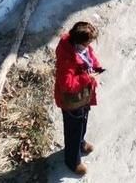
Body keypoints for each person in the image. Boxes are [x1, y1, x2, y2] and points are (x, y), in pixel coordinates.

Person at [53, 20, 104, 176]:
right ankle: (72, 161)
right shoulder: (67, 59)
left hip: (82, 97)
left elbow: (90, 55)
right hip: (71, 102)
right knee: (73, 130)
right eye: (87, 43)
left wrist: (95, 66)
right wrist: (87, 78)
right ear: (78, 41)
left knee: (82, 122)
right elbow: (66, 85)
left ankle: (80, 143)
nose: (89, 45)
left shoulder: (81, 47)